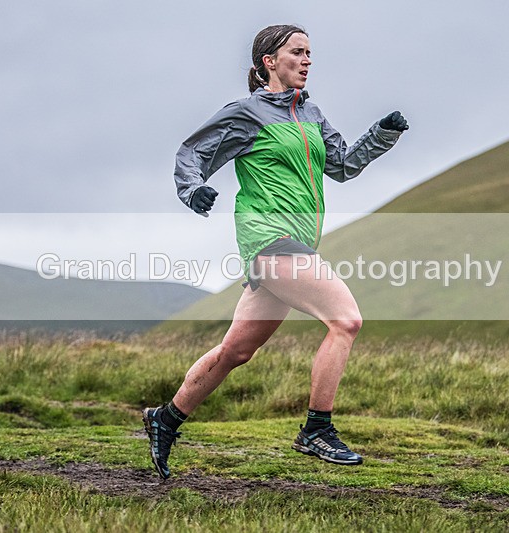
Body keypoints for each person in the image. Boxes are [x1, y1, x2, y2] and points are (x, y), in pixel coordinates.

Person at [143, 24, 408, 479]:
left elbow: (341, 167)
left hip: (298, 241)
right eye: (298, 52)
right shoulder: (246, 113)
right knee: (345, 320)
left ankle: (165, 419)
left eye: (310, 54)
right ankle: (317, 429)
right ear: (270, 60)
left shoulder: (311, 115)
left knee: (235, 352)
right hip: (267, 238)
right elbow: (193, 152)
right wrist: (193, 190)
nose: (307, 61)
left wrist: (381, 135)